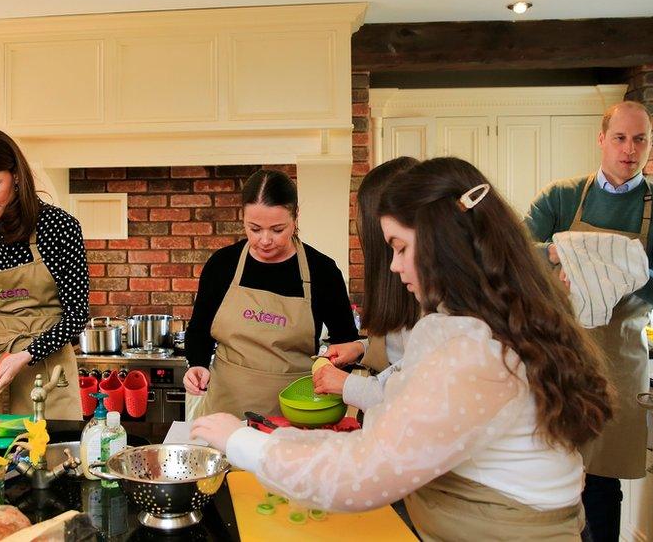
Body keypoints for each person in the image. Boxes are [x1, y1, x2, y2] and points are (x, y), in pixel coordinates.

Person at [193, 157, 616, 541]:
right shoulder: (490, 323)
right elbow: (399, 396)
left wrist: (243, 442)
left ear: (440, 243)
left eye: (400, 247)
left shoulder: (474, 349)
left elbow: (364, 471)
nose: (393, 266)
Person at [525, 100, 653, 541]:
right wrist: (558, 253)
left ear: (650, 144)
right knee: (544, 471)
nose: (629, 149)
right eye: (620, 137)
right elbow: (515, 256)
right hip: (553, 357)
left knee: (600, 484)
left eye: (640, 139)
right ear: (601, 139)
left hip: (617, 365)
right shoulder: (560, 197)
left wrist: (623, 267)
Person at [183, 169, 359, 418]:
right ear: (243, 217)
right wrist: (197, 364)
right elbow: (199, 330)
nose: (265, 240)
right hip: (226, 414)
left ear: (295, 217)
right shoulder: (222, 265)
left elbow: (346, 343)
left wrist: (328, 379)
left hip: (294, 416)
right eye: (254, 229)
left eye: (277, 229)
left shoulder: (322, 271)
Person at [0, 126, 88, 419]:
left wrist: (26, 356)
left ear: (15, 175)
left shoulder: (59, 227)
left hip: (49, 374)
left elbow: (76, 315)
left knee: (48, 460)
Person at [313, 157, 422, 397]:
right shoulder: (400, 288)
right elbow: (403, 353)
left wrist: (347, 385)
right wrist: (360, 347)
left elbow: (417, 390)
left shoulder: (430, 299)